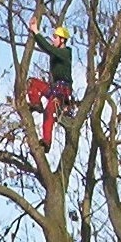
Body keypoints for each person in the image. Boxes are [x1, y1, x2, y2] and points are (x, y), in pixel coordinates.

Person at [27, 16, 73, 153]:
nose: (53, 40)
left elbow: (48, 48)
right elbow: (47, 47)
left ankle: (46, 142)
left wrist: (36, 31)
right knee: (32, 83)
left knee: (49, 112)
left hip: (62, 91)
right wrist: (34, 33)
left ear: (62, 40)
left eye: (55, 38)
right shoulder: (56, 52)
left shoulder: (65, 53)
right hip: (54, 88)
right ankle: (35, 103)